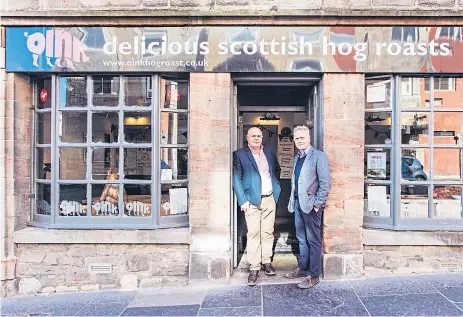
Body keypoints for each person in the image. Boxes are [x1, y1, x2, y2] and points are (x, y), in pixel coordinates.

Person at [233, 127, 281, 286]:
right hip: (251, 202)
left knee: (268, 232)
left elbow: (276, 171)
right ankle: (254, 267)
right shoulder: (239, 154)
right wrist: (243, 201)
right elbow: (236, 179)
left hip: (269, 199)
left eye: (259, 136)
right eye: (253, 136)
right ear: (247, 137)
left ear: (262, 138)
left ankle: (266, 261)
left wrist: (276, 191)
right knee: (253, 233)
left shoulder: (270, 152)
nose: (256, 138)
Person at [284, 125, 331, 289]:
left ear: (309, 138)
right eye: (296, 138)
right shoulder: (297, 158)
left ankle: (314, 275)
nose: (299, 141)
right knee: (302, 239)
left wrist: (317, 204)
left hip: (311, 206)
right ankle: (303, 269)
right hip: (297, 204)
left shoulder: (319, 156)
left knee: (313, 240)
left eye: (302, 138)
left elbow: (325, 184)